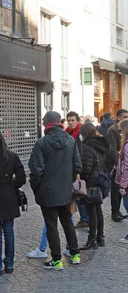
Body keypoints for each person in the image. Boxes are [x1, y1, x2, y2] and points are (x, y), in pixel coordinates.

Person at [29, 111, 83, 270]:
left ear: (46, 124)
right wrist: (68, 181)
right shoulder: (70, 141)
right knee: (67, 223)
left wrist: (37, 187)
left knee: (51, 225)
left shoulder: (42, 143)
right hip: (66, 191)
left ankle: (57, 260)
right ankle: (75, 254)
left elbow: (35, 170)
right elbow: (78, 166)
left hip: (47, 192)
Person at [78, 123, 114, 250]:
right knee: (98, 211)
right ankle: (100, 237)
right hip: (100, 180)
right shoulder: (101, 145)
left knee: (92, 212)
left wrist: (82, 179)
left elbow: (86, 168)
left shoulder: (88, 147)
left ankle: (92, 239)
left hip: (91, 183)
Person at [0, 131, 26, 275]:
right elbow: (22, 177)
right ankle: (9, 264)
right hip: (9, 196)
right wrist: (12, 186)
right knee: (9, 230)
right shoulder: (12, 156)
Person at [106, 109, 128, 222]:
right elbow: (112, 149)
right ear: (118, 118)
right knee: (115, 189)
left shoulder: (126, 129)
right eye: (124, 117)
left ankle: (118, 210)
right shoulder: (113, 130)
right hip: (116, 164)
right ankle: (114, 212)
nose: (126, 119)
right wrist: (117, 163)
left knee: (121, 187)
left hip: (124, 161)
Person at [66, 111, 88, 228]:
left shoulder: (79, 133)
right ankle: (84, 217)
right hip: (70, 168)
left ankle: (85, 218)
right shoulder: (67, 133)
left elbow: (80, 152)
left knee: (79, 193)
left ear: (77, 120)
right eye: (69, 120)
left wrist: (78, 170)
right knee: (77, 194)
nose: (70, 122)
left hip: (78, 168)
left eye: (73, 120)